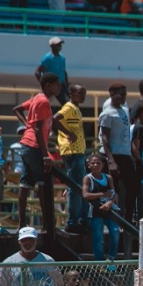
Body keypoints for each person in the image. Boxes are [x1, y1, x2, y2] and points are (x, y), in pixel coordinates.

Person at [11, 73, 60, 230]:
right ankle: (48, 224)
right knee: (44, 184)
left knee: (26, 184)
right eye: (56, 84)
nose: (59, 87)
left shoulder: (36, 99)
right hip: (34, 146)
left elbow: (17, 109)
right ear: (47, 85)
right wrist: (45, 155)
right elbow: (38, 130)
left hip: (28, 144)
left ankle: (23, 222)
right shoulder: (42, 101)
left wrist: (27, 125)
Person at [98, 82, 138, 225]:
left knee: (133, 186)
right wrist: (111, 160)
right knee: (112, 188)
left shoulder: (124, 110)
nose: (123, 97)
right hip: (113, 154)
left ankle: (127, 218)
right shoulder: (107, 113)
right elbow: (104, 137)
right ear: (112, 94)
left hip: (125, 153)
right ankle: (111, 220)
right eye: (121, 94)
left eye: (125, 94)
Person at [53, 83, 88, 234]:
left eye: (84, 93)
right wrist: (69, 133)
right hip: (72, 151)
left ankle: (79, 219)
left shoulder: (76, 109)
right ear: (71, 93)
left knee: (78, 187)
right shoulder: (69, 107)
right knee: (75, 188)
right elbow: (55, 119)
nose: (83, 96)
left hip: (78, 151)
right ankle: (73, 221)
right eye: (80, 93)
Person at [82, 153, 119, 263]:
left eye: (98, 163)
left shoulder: (108, 178)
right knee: (98, 238)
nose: (95, 165)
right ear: (89, 165)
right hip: (95, 211)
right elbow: (85, 195)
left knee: (115, 231)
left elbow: (113, 194)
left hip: (109, 209)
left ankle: (111, 258)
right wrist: (102, 194)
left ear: (102, 165)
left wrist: (109, 203)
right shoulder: (88, 178)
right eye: (93, 163)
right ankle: (100, 261)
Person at [34, 37, 68, 105]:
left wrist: (66, 83)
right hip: (51, 85)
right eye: (57, 45)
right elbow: (37, 72)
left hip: (61, 84)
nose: (60, 46)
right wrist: (43, 84)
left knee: (66, 103)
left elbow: (63, 71)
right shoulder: (47, 58)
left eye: (60, 45)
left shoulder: (62, 58)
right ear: (52, 46)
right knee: (42, 102)